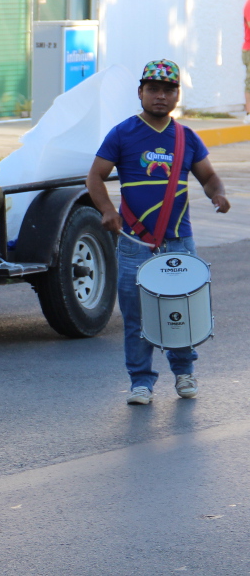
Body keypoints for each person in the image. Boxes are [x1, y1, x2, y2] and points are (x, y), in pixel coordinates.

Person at [85, 59, 230, 405]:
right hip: (135, 243)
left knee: (182, 310)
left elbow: (209, 177)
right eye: (153, 89)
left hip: (179, 242)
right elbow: (95, 176)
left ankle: (184, 373)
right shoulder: (122, 133)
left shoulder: (187, 138)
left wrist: (218, 194)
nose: (160, 96)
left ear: (177, 95)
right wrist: (107, 210)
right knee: (136, 316)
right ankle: (141, 382)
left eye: (168, 90)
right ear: (141, 93)